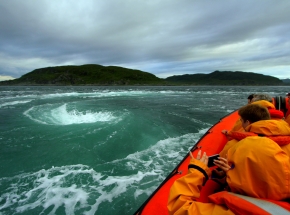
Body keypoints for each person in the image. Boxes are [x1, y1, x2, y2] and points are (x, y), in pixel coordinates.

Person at [220, 104, 290, 158]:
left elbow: (221, 163)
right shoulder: (286, 139)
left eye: (241, 120)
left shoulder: (236, 145)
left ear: (247, 122)